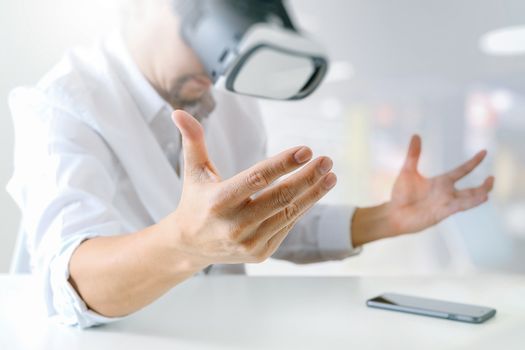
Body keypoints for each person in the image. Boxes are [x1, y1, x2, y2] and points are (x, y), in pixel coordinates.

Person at [6, 0, 494, 328]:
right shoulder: (62, 103)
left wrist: (387, 218)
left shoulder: (227, 99)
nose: (217, 69)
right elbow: (70, 282)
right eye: (203, 41)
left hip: (221, 328)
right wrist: (186, 243)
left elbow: (253, 221)